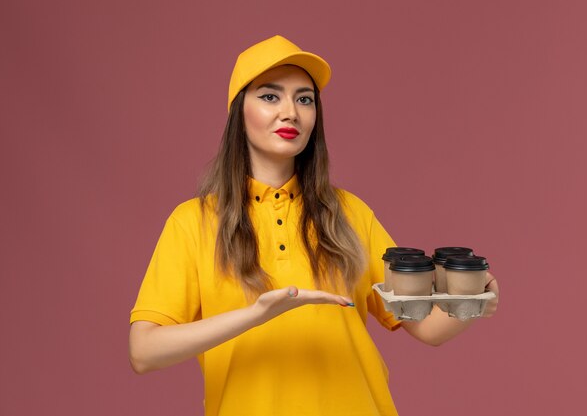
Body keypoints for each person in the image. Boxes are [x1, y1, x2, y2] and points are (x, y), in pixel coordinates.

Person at [129, 35, 499, 416]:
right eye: (270, 96)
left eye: (304, 99)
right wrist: (257, 314)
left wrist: (473, 302)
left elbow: (426, 328)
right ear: (239, 111)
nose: (290, 112)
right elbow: (143, 352)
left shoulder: (350, 213)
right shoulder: (193, 222)